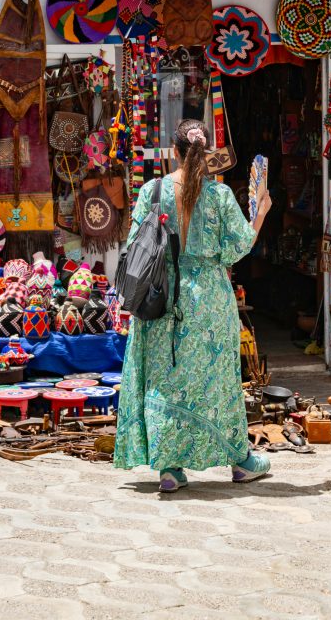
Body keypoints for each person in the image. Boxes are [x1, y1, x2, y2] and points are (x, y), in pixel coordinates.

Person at [114, 118, 273, 493]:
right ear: (207, 153)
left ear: (174, 151)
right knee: (218, 382)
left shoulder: (152, 191)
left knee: (166, 382)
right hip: (209, 302)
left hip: (162, 297)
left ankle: (169, 468)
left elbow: (136, 244)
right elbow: (238, 247)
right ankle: (239, 460)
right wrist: (261, 211)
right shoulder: (218, 196)